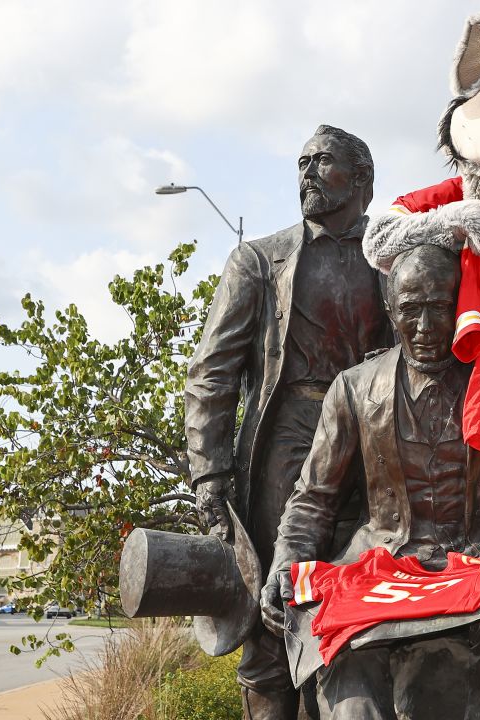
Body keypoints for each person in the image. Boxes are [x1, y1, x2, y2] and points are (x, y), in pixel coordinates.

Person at [263, 244, 480, 720]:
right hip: (382, 565)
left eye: (439, 308)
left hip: (479, 560)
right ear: (391, 310)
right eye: (411, 310)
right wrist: (283, 564)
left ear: (463, 305)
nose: (424, 326)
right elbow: (313, 500)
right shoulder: (353, 388)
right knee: (344, 651)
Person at [185, 125, 391, 720]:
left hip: (372, 440)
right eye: (301, 162)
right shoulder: (258, 260)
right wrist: (209, 473)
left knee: (362, 600)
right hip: (288, 439)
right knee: (274, 615)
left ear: (362, 180)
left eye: (321, 162)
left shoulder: (395, 256)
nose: (305, 173)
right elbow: (212, 373)